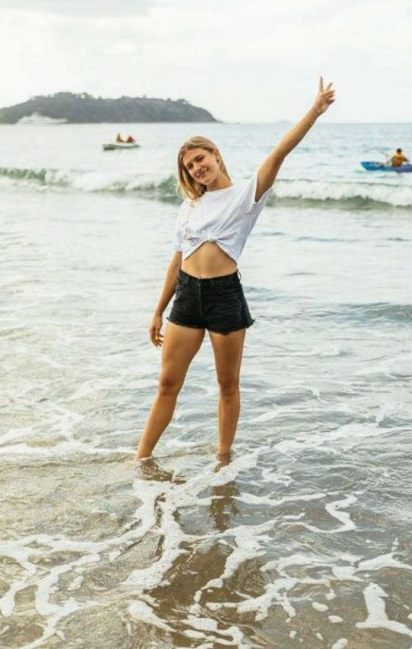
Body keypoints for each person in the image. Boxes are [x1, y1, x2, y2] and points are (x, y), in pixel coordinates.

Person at [135, 77, 335, 460]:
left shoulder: (245, 195)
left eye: (200, 159)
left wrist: (314, 111)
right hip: (187, 297)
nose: (197, 168)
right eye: (190, 166)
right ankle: (141, 458)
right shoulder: (189, 207)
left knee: (227, 385)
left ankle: (222, 459)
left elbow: (279, 153)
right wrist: (158, 310)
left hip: (224, 296)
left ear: (215, 155)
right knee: (167, 383)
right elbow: (176, 260)